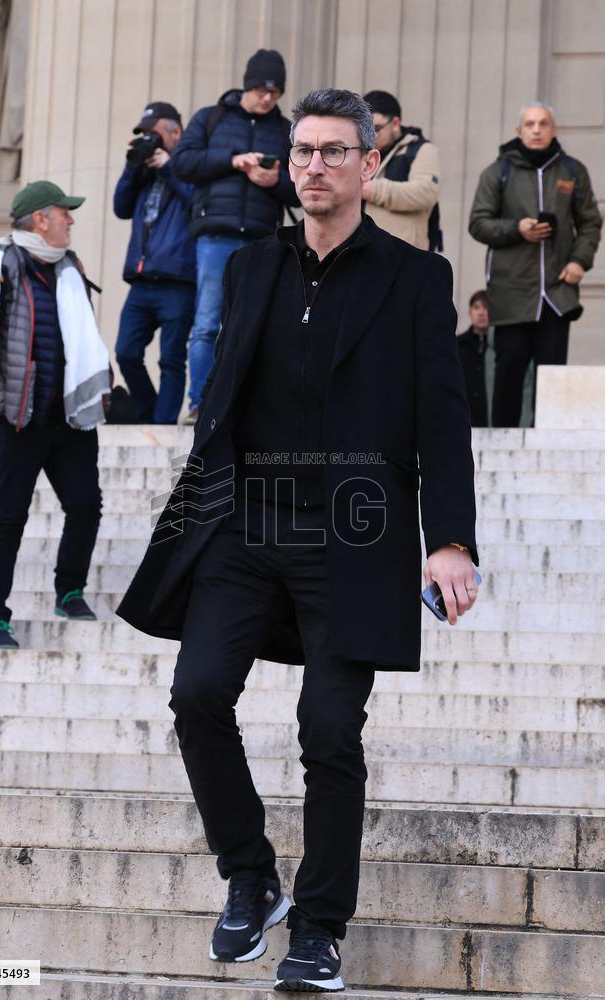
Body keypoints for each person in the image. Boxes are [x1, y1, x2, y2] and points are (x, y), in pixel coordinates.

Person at [117, 88, 479, 993]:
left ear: (367, 165)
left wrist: (451, 541)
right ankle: (250, 876)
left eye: (331, 151)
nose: (312, 164)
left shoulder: (413, 279)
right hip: (246, 524)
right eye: (302, 150)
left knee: (328, 732)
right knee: (197, 694)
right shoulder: (250, 269)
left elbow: (442, 419)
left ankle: (318, 928)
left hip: (354, 538)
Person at [0, 180, 110, 649]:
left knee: (86, 506)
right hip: (17, 418)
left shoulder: (70, 267)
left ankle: (69, 591)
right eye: (63, 212)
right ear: (40, 219)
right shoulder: (0, 263)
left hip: (68, 417)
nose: (70, 220)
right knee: (9, 516)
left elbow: (84, 336)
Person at [171, 48, 299, 421]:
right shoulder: (211, 118)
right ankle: (199, 403)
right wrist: (232, 159)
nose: (268, 98)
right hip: (216, 235)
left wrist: (276, 181)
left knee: (255, 325)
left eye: (275, 93)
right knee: (207, 323)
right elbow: (182, 163)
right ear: (248, 85)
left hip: (262, 237)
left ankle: (246, 404)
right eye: (262, 90)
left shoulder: (284, 130)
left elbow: (302, 187)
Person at [469, 102, 602, 427]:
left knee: (552, 375)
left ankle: (550, 440)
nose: (537, 130)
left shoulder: (572, 170)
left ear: (554, 129)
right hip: (512, 292)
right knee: (509, 372)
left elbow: (590, 222)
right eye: (530, 124)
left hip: (557, 291)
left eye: (543, 123)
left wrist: (579, 262)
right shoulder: (498, 171)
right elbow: (478, 223)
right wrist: (518, 229)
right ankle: (501, 448)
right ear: (519, 131)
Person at [114, 101, 196, 424]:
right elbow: (120, 207)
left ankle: (161, 427)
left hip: (178, 280)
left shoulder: (190, 165)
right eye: (144, 134)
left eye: (155, 134)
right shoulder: (143, 171)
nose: (150, 140)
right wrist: (133, 166)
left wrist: (168, 166)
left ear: (176, 133)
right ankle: (148, 415)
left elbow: (199, 200)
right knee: (126, 351)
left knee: (171, 359)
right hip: (141, 279)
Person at [361, 89, 441, 251]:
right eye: (366, 130)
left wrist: (372, 189)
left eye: (376, 129)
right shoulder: (362, 152)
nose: (371, 136)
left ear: (396, 123)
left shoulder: (422, 150)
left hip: (405, 257)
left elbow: (425, 193)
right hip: (365, 252)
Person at [457, 290, 491, 427]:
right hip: (464, 417)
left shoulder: (502, 347)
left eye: (486, 307)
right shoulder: (457, 345)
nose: (481, 313)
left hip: (490, 418)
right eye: (476, 307)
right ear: (470, 312)